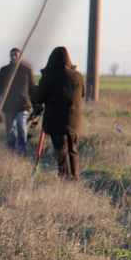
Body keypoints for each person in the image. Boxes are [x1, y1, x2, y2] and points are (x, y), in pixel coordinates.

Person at [31, 46, 85, 180]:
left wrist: (35, 90)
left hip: (56, 120)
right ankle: (75, 176)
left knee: (61, 150)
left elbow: (38, 98)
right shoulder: (78, 76)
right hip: (74, 119)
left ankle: (64, 177)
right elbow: (82, 94)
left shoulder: (49, 78)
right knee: (72, 149)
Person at [0, 48, 37, 154]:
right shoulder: (4, 70)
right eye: (12, 55)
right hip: (8, 104)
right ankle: (10, 148)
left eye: (16, 55)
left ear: (20, 56)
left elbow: (32, 89)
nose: (14, 57)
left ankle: (22, 148)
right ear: (10, 56)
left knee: (21, 125)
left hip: (23, 104)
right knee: (10, 128)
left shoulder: (26, 70)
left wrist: (35, 104)